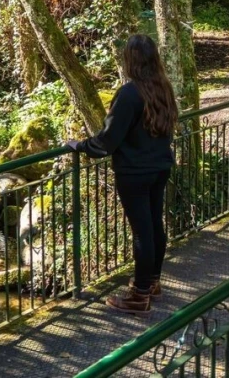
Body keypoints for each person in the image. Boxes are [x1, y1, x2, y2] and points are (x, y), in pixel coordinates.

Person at [66, 34, 177, 313]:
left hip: (134, 172)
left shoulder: (129, 93)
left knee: (143, 232)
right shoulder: (163, 88)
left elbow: (107, 140)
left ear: (130, 60)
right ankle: (151, 282)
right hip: (159, 166)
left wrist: (79, 145)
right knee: (153, 225)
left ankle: (140, 296)